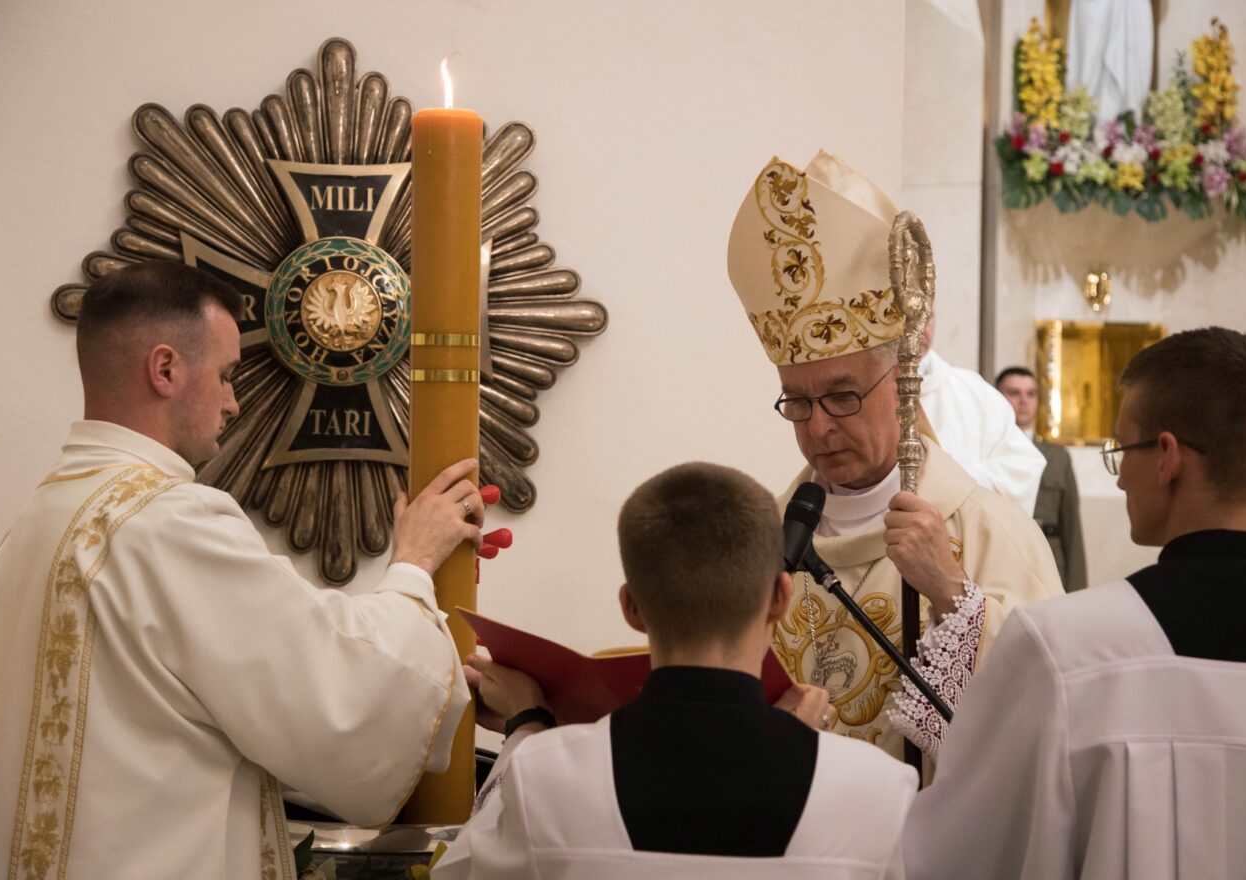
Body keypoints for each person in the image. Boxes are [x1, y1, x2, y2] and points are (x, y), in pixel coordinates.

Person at [0, 262, 482, 879]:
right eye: (228, 375)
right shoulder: (164, 521)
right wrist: (415, 563)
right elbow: (339, 691)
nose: (233, 402)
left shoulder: (45, 512)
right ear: (166, 369)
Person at [725, 150, 1063, 764]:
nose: (820, 427)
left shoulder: (986, 534)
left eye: (842, 395)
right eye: (798, 402)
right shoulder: (764, 537)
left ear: (901, 382)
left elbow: (1050, 716)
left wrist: (955, 595)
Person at [905, 328, 1246, 879]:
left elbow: (960, 858)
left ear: (1167, 457)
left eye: (1122, 450)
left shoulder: (1068, 651)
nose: (1121, 476)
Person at [436, 463, 918, 879]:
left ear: (631, 608)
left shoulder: (545, 777)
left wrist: (526, 724)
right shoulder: (876, 792)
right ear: (780, 598)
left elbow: (458, 870)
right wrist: (795, 739)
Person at [918, 319, 1046, 515]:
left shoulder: (971, 389)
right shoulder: (864, 388)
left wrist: (956, 480)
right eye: (908, 316)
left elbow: (1025, 465)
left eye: (926, 317)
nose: (918, 328)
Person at [995, 365, 1088, 590]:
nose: (1023, 401)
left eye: (1031, 394)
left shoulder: (1057, 457)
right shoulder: (989, 451)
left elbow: (1071, 526)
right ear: (997, 398)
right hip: (1001, 555)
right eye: (1014, 393)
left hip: (1049, 557)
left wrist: (1076, 589)